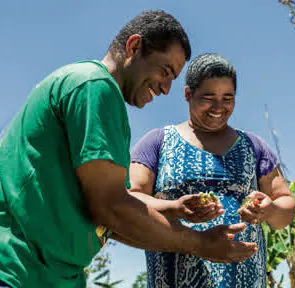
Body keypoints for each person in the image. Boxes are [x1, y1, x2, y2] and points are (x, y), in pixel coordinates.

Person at [0, 11, 257, 288]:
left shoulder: (85, 86)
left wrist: (171, 208)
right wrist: (198, 243)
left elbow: (109, 214)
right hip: (20, 270)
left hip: (49, 275)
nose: (166, 88)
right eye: (165, 71)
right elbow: (111, 208)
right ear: (134, 46)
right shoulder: (94, 87)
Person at [129, 53, 295, 287]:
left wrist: (269, 211)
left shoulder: (253, 146)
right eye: (209, 97)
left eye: (228, 98)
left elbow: (285, 207)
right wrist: (174, 208)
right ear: (188, 94)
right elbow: (132, 200)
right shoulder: (157, 142)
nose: (219, 107)